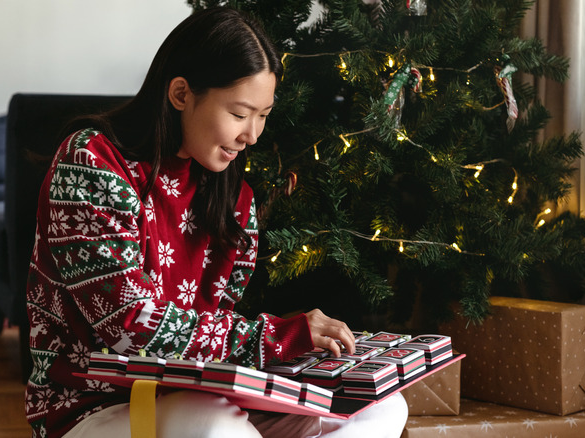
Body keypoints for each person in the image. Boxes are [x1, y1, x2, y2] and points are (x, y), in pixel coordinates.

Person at [24, 6, 408, 438]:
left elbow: (211, 335)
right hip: (94, 408)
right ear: (181, 94)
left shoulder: (232, 198)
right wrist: (277, 336)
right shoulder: (91, 164)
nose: (253, 135)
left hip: (195, 394)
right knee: (211, 424)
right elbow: (131, 327)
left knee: (379, 406)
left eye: (263, 115)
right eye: (241, 114)